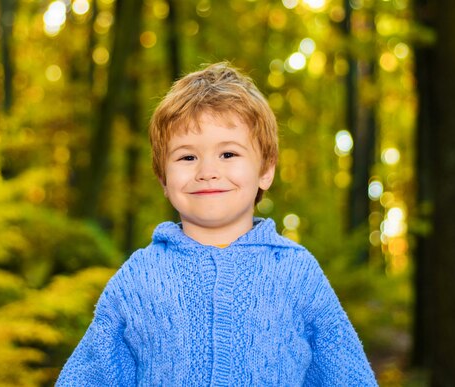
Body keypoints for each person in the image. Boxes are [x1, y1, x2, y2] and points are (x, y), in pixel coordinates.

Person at [56, 62, 378, 386]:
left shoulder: (297, 273)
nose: (207, 171)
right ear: (163, 178)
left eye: (228, 154)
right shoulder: (138, 278)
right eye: (187, 157)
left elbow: (349, 377)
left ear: (265, 169)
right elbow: (87, 376)